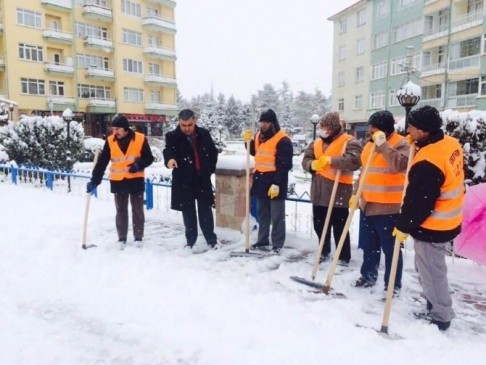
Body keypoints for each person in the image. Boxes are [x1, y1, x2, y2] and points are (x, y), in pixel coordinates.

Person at [392, 105, 464, 332]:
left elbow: (418, 202)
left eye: (411, 127)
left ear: (423, 130)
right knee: (430, 269)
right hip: (449, 219)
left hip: (434, 225)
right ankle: (434, 306)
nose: (408, 131)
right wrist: (418, 144)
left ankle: (441, 316)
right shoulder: (449, 143)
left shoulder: (428, 163)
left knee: (432, 272)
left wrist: (403, 226)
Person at [351, 110, 409, 294]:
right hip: (368, 204)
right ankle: (368, 275)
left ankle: (392, 284)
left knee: (391, 250)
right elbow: (364, 172)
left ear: (383, 128)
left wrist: (383, 145)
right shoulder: (368, 145)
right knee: (370, 246)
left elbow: (400, 165)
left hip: (388, 207)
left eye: (373, 127)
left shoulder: (401, 143)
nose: (370, 130)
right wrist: (356, 193)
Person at [302, 112, 362, 265]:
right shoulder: (315, 143)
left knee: (339, 226)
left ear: (335, 128)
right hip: (319, 191)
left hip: (338, 193)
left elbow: (354, 160)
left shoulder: (349, 141)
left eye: (326, 128)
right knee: (320, 225)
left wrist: (331, 161)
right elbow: (306, 160)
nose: (323, 130)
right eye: (322, 127)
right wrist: (312, 165)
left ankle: (343, 256)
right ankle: (324, 250)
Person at [87, 114, 154, 249]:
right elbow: (102, 162)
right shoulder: (110, 141)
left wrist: (137, 166)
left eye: (118, 129)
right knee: (121, 210)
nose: (115, 132)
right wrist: (95, 180)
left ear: (125, 128)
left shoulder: (140, 139)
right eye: (113, 129)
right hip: (118, 181)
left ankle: (138, 238)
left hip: (135, 179)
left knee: (137, 210)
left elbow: (149, 158)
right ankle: (122, 238)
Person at [163, 109, 219, 249]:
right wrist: (170, 160)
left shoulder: (204, 134)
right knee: (188, 212)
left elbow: (213, 152)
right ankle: (191, 241)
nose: (186, 128)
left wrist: (209, 169)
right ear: (179, 123)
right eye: (183, 125)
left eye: (189, 125)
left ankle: (211, 240)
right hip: (184, 180)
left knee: (205, 211)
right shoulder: (172, 136)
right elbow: (168, 150)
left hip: (202, 179)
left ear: (194, 121)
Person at [244, 109, 293, 254]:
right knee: (262, 212)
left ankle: (277, 244)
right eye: (262, 122)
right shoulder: (259, 135)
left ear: (273, 122)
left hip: (275, 180)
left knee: (277, 214)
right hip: (261, 179)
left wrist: (277, 183)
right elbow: (254, 152)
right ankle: (262, 240)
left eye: (266, 122)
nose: (263, 125)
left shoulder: (282, 139)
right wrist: (247, 142)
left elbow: (284, 165)